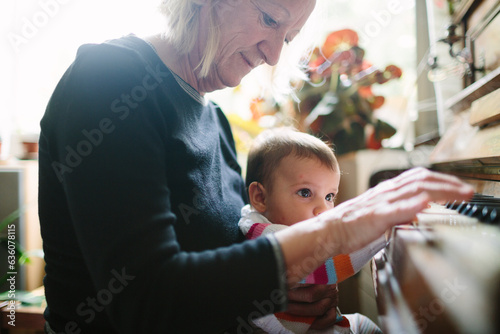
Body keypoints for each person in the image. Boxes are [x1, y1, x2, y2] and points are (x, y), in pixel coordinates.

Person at [38, 0, 474, 333]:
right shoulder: (108, 78)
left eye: (287, 38)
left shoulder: (215, 121)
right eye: (269, 19)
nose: (273, 55)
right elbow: (146, 302)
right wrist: (332, 233)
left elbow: (228, 262)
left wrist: (282, 294)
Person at [238, 127, 384, 334]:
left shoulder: (255, 221)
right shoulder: (267, 235)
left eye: (329, 197)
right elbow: (331, 261)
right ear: (260, 197)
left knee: (363, 324)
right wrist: (380, 231)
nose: (323, 210)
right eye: (305, 192)